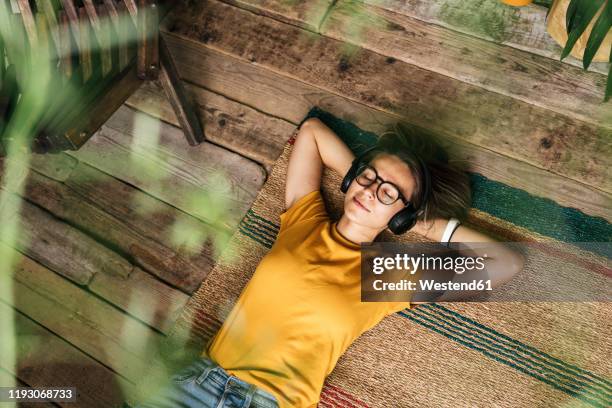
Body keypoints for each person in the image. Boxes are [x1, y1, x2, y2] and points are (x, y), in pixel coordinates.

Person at [135, 118, 524, 408]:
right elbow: (312, 133)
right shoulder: (304, 221)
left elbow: (506, 263)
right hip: (195, 383)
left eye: (387, 192)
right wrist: (368, 178)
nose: (370, 191)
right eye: (368, 177)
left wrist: (424, 222)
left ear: (402, 216)